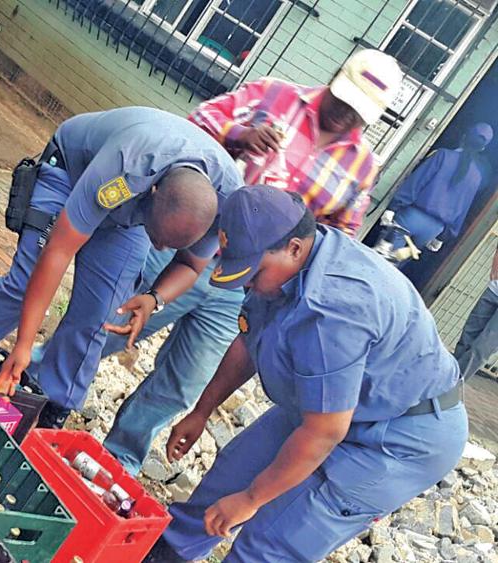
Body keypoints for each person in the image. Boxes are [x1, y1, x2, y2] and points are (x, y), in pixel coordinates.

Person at [99, 49, 402, 474]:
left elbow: (340, 234)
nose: (344, 115)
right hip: (191, 247)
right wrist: (238, 135)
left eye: (357, 113)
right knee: (111, 329)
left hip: (247, 288)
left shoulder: (362, 166)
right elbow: (192, 128)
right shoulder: (273, 96)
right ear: (335, 78)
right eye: (343, 101)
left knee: (184, 381)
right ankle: (38, 383)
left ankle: (117, 459)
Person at [144, 185, 467, 562]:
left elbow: (325, 431)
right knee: (229, 479)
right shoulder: (285, 258)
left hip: (401, 435)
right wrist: (202, 411)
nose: (246, 283)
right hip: (336, 404)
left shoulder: (333, 310)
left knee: (272, 542)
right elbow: (249, 340)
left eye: (254, 272)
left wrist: (252, 499)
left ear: (295, 248)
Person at [0, 107, 242, 427]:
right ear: (152, 193)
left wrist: (154, 298)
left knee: (101, 314)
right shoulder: (129, 164)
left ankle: (49, 408)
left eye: (168, 244)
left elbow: (191, 264)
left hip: (131, 218)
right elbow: (58, 251)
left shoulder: (225, 206)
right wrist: (24, 344)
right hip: (72, 173)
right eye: (157, 239)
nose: (158, 249)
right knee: (25, 285)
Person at [383, 122, 493, 257]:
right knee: (397, 264)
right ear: (482, 148)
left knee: (383, 257)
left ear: (464, 136)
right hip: (434, 229)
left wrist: (393, 207)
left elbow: (416, 183)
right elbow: (462, 209)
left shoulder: (442, 155)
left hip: (410, 218)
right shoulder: (477, 177)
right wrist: (443, 237)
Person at [454, 243, 498, 379]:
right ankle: (447, 376)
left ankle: (452, 382)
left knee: (483, 347)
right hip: (494, 290)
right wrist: (495, 266)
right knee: (467, 337)